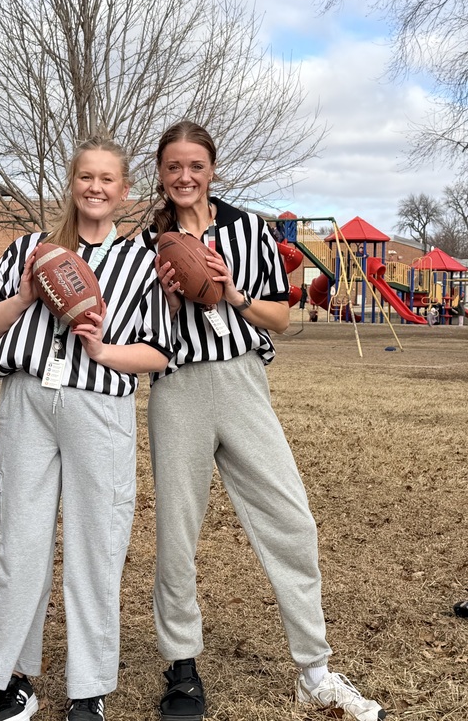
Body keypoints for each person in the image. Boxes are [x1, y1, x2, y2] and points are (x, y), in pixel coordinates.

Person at [138, 121, 386, 721]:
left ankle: (316, 672)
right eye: (173, 167)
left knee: (291, 520)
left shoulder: (249, 229)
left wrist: (231, 295)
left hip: (244, 380)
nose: (185, 177)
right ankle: (182, 667)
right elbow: (142, 335)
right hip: (179, 387)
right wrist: (171, 300)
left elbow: (282, 320)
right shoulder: (145, 245)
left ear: (212, 169)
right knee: (177, 533)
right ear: (162, 173)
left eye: (195, 165)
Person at [0, 136, 172, 721]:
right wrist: (27, 296)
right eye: (86, 177)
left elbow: (159, 352)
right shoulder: (30, 248)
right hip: (30, 397)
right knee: (18, 538)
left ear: (124, 190)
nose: (95, 188)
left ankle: (89, 688)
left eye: (108, 179)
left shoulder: (140, 262)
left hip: (99, 404)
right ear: (72, 181)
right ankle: (12, 678)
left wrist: (106, 351)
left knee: (97, 545)